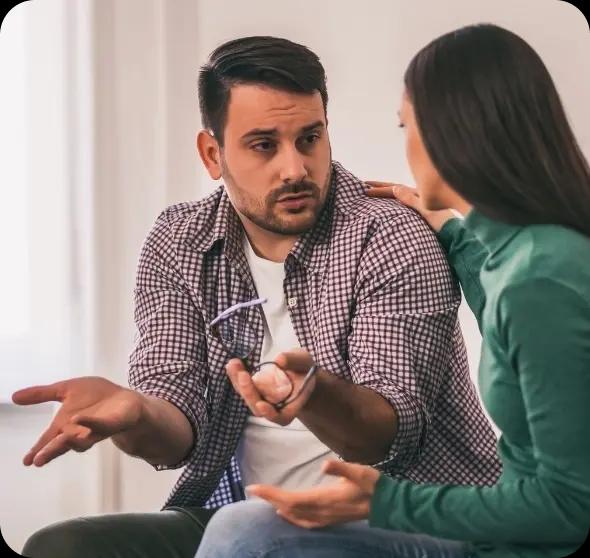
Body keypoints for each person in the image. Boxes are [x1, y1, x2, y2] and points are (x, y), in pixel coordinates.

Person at [15, 36, 500, 558]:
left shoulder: (390, 234)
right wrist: (134, 414)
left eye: (309, 138)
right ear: (212, 154)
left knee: (244, 531)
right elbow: (176, 430)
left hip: (417, 516)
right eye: (264, 145)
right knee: (64, 546)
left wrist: (313, 392)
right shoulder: (180, 241)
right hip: (256, 517)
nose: (295, 169)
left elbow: (387, 435)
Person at [194, 24, 590, 558]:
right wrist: (453, 229)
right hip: (501, 532)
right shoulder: (531, 257)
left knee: (244, 532)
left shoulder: (538, 279)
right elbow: (500, 294)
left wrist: (386, 502)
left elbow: (570, 507)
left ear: (454, 134)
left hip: (515, 545)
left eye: (407, 125)